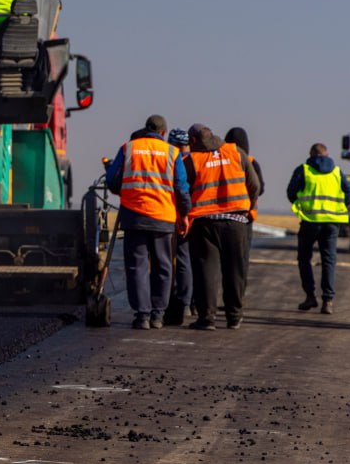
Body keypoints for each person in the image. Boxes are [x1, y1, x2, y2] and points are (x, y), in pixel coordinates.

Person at [106, 114, 191, 330]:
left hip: (134, 216)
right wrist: (184, 213)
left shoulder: (129, 148)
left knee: (137, 266)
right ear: (163, 133)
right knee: (163, 266)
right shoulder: (172, 152)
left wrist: (125, 192)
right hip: (163, 217)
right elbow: (181, 188)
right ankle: (158, 314)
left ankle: (142, 315)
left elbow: (112, 180)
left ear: (145, 129)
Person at [182, 123, 260, 330]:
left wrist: (183, 216)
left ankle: (206, 318)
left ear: (194, 141)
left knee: (205, 270)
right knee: (235, 269)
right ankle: (234, 316)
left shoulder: (192, 160)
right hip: (236, 222)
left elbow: (182, 191)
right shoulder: (236, 152)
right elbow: (254, 185)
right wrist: (249, 209)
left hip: (204, 223)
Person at [286, 143, 350, 315]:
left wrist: (301, 204)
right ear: (327, 154)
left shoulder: (304, 169)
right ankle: (328, 301)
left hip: (310, 221)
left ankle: (310, 296)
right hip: (332, 222)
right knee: (329, 261)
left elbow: (291, 192)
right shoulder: (337, 171)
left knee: (304, 258)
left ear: (311, 154)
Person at [164, 127, 195, 326]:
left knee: (165, 260)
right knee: (185, 260)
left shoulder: (171, 159)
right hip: (190, 216)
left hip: (170, 215)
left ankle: (166, 300)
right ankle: (185, 302)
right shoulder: (195, 160)